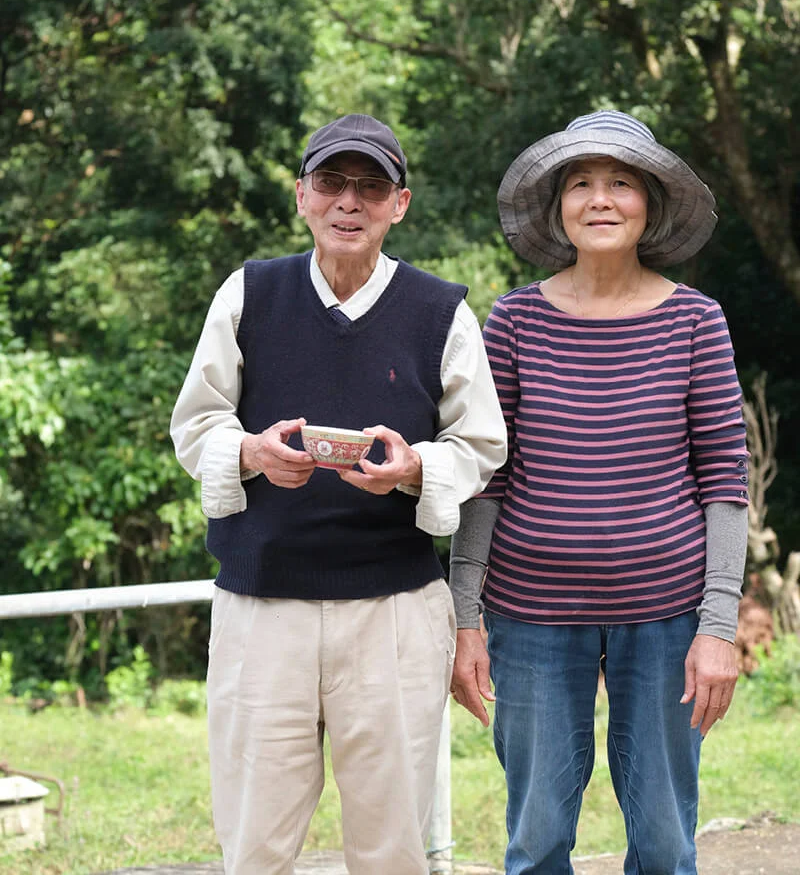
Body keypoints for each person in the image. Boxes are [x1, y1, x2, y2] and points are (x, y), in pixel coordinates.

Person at [170, 112, 507, 875]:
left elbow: (482, 445)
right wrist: (251, 454)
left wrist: (415, 468)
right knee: (255, 845)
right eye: (331, 183)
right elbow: (196, 426)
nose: (348, 202)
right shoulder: (249, 292)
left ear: (400, 203)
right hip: (262, 609)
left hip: (391, 614)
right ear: (301, 196)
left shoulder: (439, 310)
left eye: (370, 186)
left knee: (391, 848)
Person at [449, 110, 749, 875]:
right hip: (531, 617)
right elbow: (486, 477)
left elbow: (724, 481)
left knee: (663, 841)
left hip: (668, 617)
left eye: (620, 182)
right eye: (580, 184)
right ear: (558, 208)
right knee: (538, 836)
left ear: (650, 203)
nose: (600, 199)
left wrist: (717, 626)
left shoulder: (695, 321)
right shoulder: (514, 319)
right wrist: (465, 618)